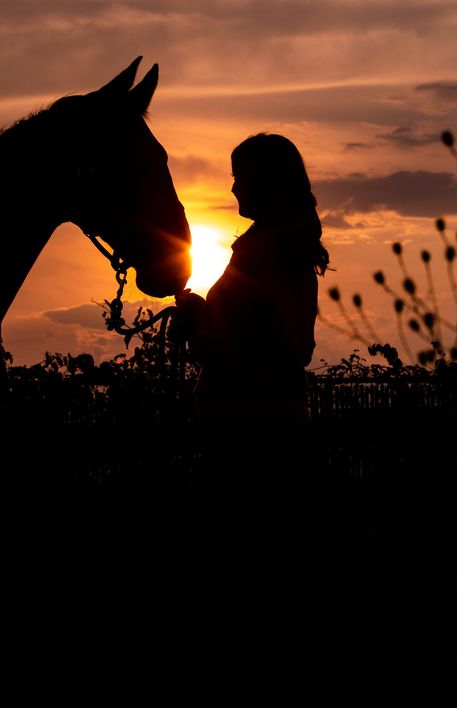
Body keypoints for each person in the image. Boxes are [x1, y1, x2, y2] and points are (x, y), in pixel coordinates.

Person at [172, 133, 331, 702]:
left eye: (240, 175)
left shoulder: (266, 252)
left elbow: (277, 344)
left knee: (246, 575)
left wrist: (197, 322)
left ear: (264, 181)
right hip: (271, 425)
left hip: (250, 432)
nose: (233, 185)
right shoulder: (282, 247)